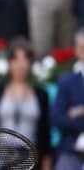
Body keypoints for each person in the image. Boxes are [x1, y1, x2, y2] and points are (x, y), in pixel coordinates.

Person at [0, 37, 52, 170]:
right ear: (9, 62)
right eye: (16, 60)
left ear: (30, 63)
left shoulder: (41, 94)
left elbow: (45, 135)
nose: (20, 65)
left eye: (25, 60)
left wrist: (46, 165)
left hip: (30, 158)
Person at [51, 27, 84, 170]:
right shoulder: (66, 81)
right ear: (76, 50)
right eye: (83, 47)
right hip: (71, 151)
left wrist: (77, 112)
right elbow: (56, 118)